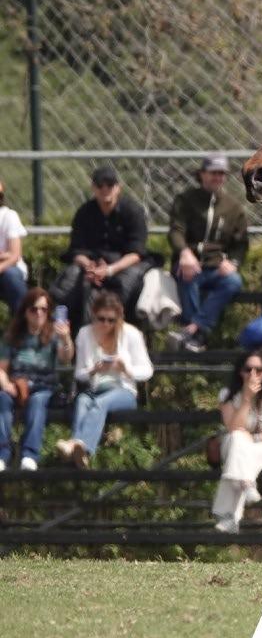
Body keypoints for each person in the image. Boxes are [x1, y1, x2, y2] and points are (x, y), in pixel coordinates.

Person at [55, 289, 152, 468]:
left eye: (111, 320)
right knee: (82, 401)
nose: (106, 324)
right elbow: (79, 373)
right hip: (95, 388)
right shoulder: (85, 334)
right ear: (93, 315)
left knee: (100, 403)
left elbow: (147, 370)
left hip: (124, 391)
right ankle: (79, 452)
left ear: (118, 318)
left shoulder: (131, 334)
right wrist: (94, 370)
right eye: (101, 319)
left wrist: (126, 369)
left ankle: (79, 445)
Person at [52, 165, 151, 330]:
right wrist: (89, 266)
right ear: (93, 188)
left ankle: (118, 328)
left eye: (110, 185)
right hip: (92, 264)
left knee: (125, 283)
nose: (105, 189)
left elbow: (136, 253)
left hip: (124, 264)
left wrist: (109, 270)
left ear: (118, 188)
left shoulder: (133, 211)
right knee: (70, 280)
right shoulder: (84, 212)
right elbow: (76, 250)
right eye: (100, 185)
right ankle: (61, 328)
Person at [169, 154, 248, 353]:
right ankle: (198, 337)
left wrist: (233, 262)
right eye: (213, 173)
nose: (217, 177)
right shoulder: (185, 200)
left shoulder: (233, 207)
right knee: (187, 275)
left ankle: (192, 329)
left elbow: (240, 244)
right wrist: (184, 253)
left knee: (233, 282)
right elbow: (176, 231)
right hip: (190, 264)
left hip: (215, 266)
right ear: (202, 174)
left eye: (221, 173)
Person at [211, 350, 262, 533]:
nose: (253, 374)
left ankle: (229, 516)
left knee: (239, 462)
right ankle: (247, 484)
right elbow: (234, 427)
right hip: (234, 444)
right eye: (248, 369)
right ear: (240, 372)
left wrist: (255, 438)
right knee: (237, 439)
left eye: (259, 370)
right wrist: (246, 399)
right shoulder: (227, 394)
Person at [0, 287, 73, 471]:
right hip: (17, 385)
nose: (39, 313)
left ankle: (30, 455)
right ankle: (2, 454)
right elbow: (2, 369)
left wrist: (66, 339)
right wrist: (6, 384)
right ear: (25, 311)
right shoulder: (12, 336)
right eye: (34, 309)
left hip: (44, 385)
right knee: (2, 399)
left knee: (38, 401)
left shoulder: (54, 334)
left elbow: (66, 358)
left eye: (43, 309)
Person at [0, 179, 29, 317]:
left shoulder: (9, 216)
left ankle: (24, 322)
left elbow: (14, 256)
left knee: (11, 276)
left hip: (7, 270)